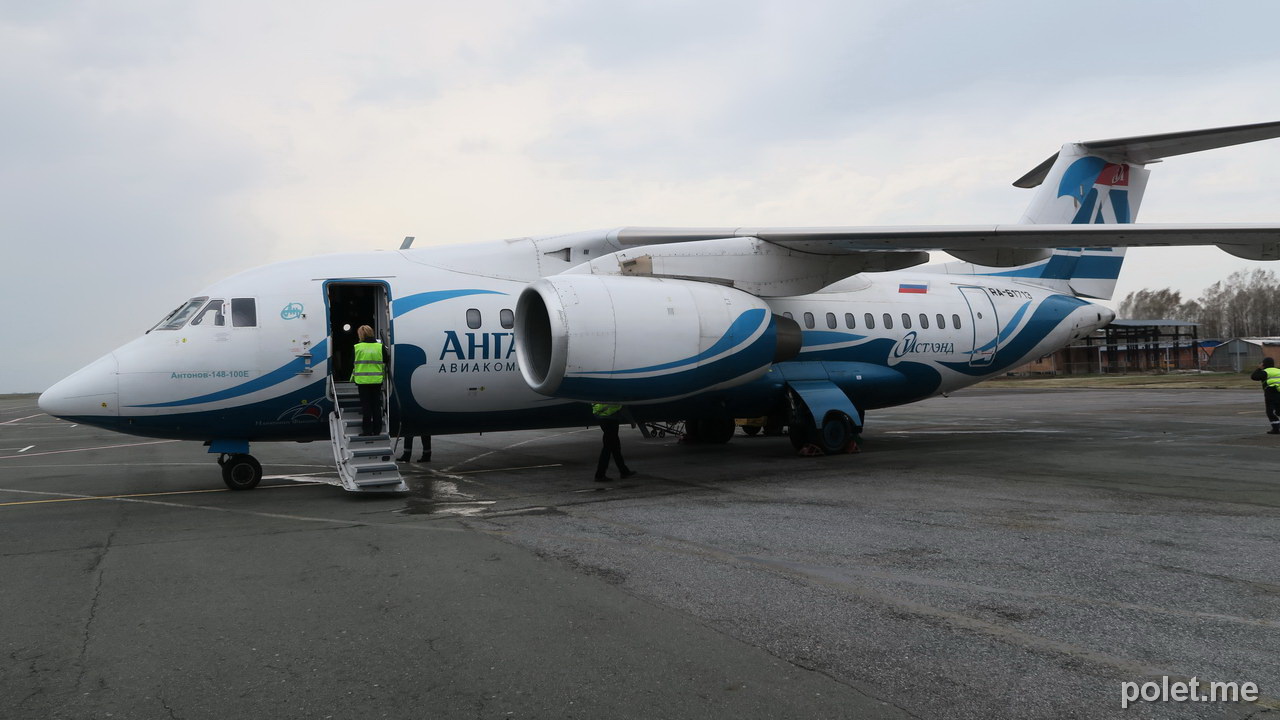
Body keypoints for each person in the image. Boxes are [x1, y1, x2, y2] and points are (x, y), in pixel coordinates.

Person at [351, 325, 387, 436]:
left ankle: (367, 430)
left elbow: (351, 362)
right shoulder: (380, 347)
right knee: (376, 405)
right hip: (376, 380)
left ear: (361, 334)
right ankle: (377, 430)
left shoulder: (357, 347)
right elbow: (386, 359)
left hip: (362, 381)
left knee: (366, 406)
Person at [592, 402, 634, 482]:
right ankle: (600, 475)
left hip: (601, 418)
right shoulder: (614, 393)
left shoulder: (598, 394)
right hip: (611, 420)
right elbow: (622, 406)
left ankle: (624, 471)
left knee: (615, 446)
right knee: (608, 448)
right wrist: (631, 420)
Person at [1250, 357, 1280, 434]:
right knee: (1278, 411)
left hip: (1271, 392)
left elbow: (1254, 377)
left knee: (1270, 411)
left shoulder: (1265, 372)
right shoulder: (1278, 370)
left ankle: (1276, 429)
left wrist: (1259, 368)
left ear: (1263, 364)